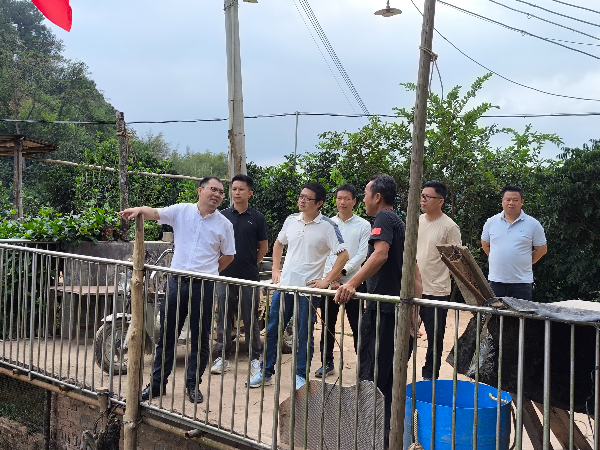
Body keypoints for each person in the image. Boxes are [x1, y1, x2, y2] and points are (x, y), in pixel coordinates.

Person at [118, 177, 235, 404]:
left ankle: (193, 384)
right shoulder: (182, 211)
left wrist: (209, 271)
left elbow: (229, 256)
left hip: (204, 285)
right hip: (177, 283)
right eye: (213, 189)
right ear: (200, 190)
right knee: (167, 336)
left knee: (200, 339)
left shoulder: (224, 225)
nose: (217, 194)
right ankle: (157, 384)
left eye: (221, 192)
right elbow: (155, 213)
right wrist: (139, 210)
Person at [335, 174, 422, 447]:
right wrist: (415, 312)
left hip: (383, 313)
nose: (363, 200)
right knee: (389, 378)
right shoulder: (402, 224)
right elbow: (416, 273)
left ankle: (370, 439)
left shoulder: (384, 218)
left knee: (372, 378)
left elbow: (380, 254)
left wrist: (351, 283)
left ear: (378, 197)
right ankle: (385, 437)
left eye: (365, 194)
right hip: (396, 312)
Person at [248, 182, 349, 390]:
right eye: (301, 196)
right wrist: (275, 270)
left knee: (304, 334)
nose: (302, 200)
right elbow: (278, 243)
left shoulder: (328, 226)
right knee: (273, 330)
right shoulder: (291, 220)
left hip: (307, 292)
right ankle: (266, 372)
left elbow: (343, 255)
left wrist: (327, 280)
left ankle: (300, 376)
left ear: (319, 203)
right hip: (285, 287)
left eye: (307, 198)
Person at [211, 174, 268, 377]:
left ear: (250, 193)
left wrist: (251, 263)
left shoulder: (258, 218)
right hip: (224, 275)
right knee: (223, 316)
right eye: (234, 189)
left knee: (250, 317)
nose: (237, 192)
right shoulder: (221, 216)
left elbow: (263, 247)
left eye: (241, 189)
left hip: (248, 276)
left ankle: (254, 358)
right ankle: (222, 357)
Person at [316, 184, 370, 378]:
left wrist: (342, 273)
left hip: (354, 283)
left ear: (354, 201)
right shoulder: (327, 223)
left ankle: (363, 367)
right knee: (327, 325)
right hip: (331, 284)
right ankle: (327, 362)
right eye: (339, 198)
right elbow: (325, 253)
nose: (342, 202)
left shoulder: (364, 225)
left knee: (358, 326)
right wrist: (331, 278)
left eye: (347, 198)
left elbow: (362, 254)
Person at [416, 180, 461, 380]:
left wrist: (440, 277)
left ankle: (429, 377)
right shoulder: (417, 221)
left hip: (436, 291)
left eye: (428, 197)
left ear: (441, 201)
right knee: (406, 333)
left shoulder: (449, 227)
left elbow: (456, 261)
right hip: (414, 288)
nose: (423, 200)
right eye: (422, 196)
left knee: (435, 338)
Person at [481, 184, 547, 301]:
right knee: (495, 312)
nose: (511, 203)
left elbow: (541, 249)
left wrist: (526, 262)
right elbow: (485, 245)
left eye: (515, 200)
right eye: (508, 199)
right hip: (496, 281)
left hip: (522, 283)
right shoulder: (491, 222)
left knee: (521, 313)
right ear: (502, 201)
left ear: (522, 202)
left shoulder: (533, 224)